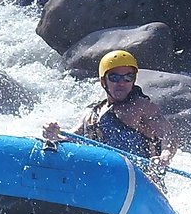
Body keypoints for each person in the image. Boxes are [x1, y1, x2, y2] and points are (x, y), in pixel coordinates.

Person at [43, 49, 178, 170]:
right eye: (114, 77)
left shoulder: (142, 107)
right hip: (105, 178)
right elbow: (69, 139)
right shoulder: (92, 115)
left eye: (128, 77)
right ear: (103, 81)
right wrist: (53, 134)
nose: (121, 83)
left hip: (142, 179)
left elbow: (168, 134)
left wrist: (165, 155)